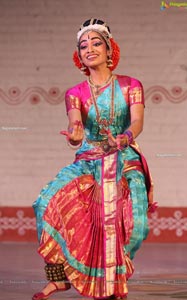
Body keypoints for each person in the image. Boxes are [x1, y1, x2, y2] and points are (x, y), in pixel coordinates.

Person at [32, 18, 156, 300]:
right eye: (83, 45)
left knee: (135, 224)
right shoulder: (75, 93)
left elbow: (137, 121)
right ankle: (59, 276)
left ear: (110, 49)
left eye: (96, 42)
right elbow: (75, 125)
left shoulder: (130, 85)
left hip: (124, 159)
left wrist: (124, 137)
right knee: (45, 202)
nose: (89, 48)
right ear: (79, 56)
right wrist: (75, 136)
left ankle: (112, 280)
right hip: (88, 159)